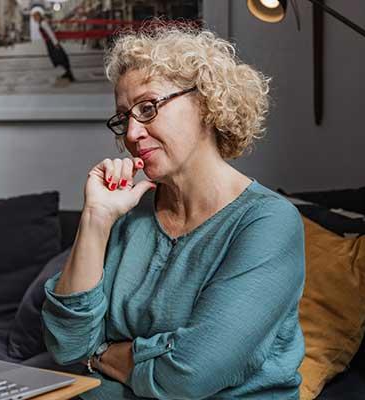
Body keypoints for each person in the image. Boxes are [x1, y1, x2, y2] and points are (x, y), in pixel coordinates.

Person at [40, 22, 306, 399]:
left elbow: (190, 372)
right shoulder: (127, 214)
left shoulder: (268, 222)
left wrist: (98, 352)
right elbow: (66, 344)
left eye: (148, 108)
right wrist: (96, 219)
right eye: (123, 117)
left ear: (206, 102)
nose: (131, 134)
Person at [30, 6, 75, 83]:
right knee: (57, 58)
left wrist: (56, 43)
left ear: (38, 16)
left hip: (52, 43)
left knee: (60, 57)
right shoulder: (41, 22)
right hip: (50, 43)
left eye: (34, 17)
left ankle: (69, 74)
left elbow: (50, 33)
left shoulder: (43, 23)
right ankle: (68, 73)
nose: (34, 19)